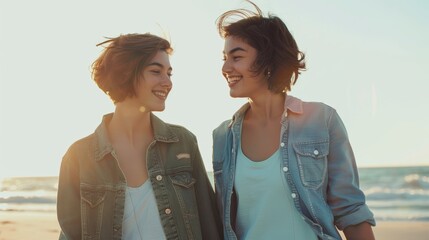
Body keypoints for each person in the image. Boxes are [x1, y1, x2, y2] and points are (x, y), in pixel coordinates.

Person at [212, 1, 376, 239]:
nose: (225, 67)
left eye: (236, 57)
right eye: (224, 58)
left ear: (268, 60)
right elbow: (223, 221)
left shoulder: (321, 120)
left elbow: (350, 210)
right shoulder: (222, 136)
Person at [57, 33, 222, 240]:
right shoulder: (79, 156)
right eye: (156, 71)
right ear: (125, 73)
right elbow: (71, 234)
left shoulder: (183, 142)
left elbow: (209, 224)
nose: (167, 82)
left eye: (169, 74)